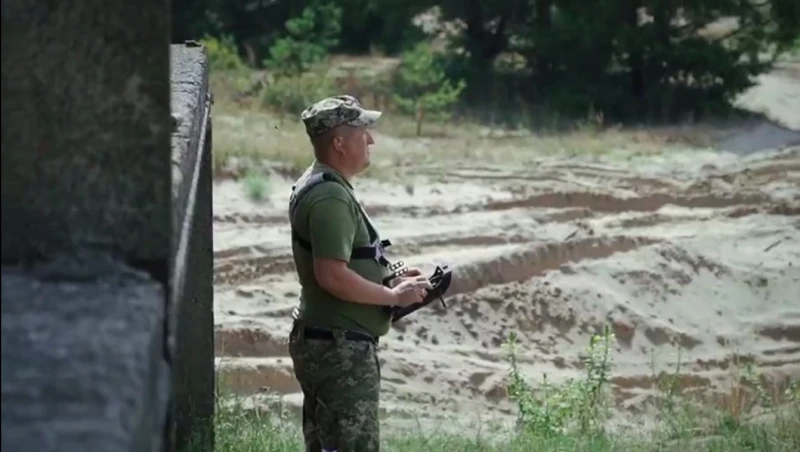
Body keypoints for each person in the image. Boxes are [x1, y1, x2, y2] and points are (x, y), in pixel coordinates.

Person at [287, 94, 433, 452]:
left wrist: (392, 277)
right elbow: (332, 275)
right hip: (340, 350)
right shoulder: (330, 198)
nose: (371, 140)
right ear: (339, 142)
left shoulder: (322, 184)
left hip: (330, 342)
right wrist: (392, 297)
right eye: (362, 132)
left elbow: (347, 262)